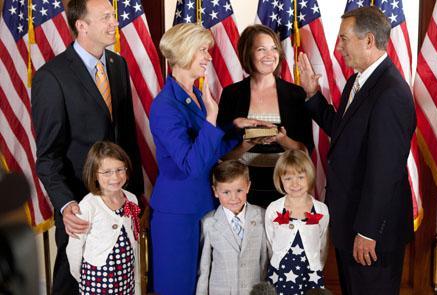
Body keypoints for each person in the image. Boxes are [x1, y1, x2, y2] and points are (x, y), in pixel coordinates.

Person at [298, 6, 416, 294]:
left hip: (372, 234)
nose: (338, 48)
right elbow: (344, 133)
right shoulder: (358, 80)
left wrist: (367, 230)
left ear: (368, 41)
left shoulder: (391, 92)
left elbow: (384, 173)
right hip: (350, 224)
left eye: (343, 39)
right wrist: (313, 96)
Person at [31, 0, 144, 292]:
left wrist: (137, 195)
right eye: (105, 17)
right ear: (81, 25)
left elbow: (127, 136)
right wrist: (67, 204)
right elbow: (48, 157)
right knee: (72, 279)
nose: (114, 23)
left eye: (114, 16)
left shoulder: (118, 65)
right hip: (79, 205)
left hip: (120, 198)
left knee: (120, 275)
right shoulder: (51, 77)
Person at [149, 23, 267, 294]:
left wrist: (238, 130)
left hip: (205, 206)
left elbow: (210, 150)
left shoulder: (195, 96)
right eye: (203, 50)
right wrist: (213, 120)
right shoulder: (165, 105)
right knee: (179, 287)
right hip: (179, 214)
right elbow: (191, 164)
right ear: (183, 51)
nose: (209, 57)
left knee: (206, 285)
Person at [218, 24, 314, 208]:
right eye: (261, 49)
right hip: (241, 189)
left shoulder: (296, 94)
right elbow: (223, 155)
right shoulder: (231, 94)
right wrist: (249, 142)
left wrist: (282, 139)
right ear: (248, 53)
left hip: (286, 187)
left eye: (273, 48)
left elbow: (305, 151)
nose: (270, 55)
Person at [66, 141, 140, 294]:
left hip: (125, 273)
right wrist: (81, 276)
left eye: (120, 170)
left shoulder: (131, 199)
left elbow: (133, 236)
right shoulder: (88, 206)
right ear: (94, 175)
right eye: (107, 172)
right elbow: (74, 248)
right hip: (97, 277)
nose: (115, 177)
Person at [196, 160, 267, 295]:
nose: (233, 198)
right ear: (215, 191)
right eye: (226, 192)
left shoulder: (261, 216)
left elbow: (265, 261)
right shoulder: (209, 222)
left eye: (239, 190)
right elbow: (204, 268)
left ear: (248, 187)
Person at [265, 150, 329, 294]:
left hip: (310, 274)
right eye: (288, 178)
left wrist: (316, 266)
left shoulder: (321, 210)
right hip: (280, 274)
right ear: (280, 179)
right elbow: (270, 242)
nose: (295, 184)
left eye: (300, 177)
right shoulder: (274, 209)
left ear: (310, 176)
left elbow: (322, 245)